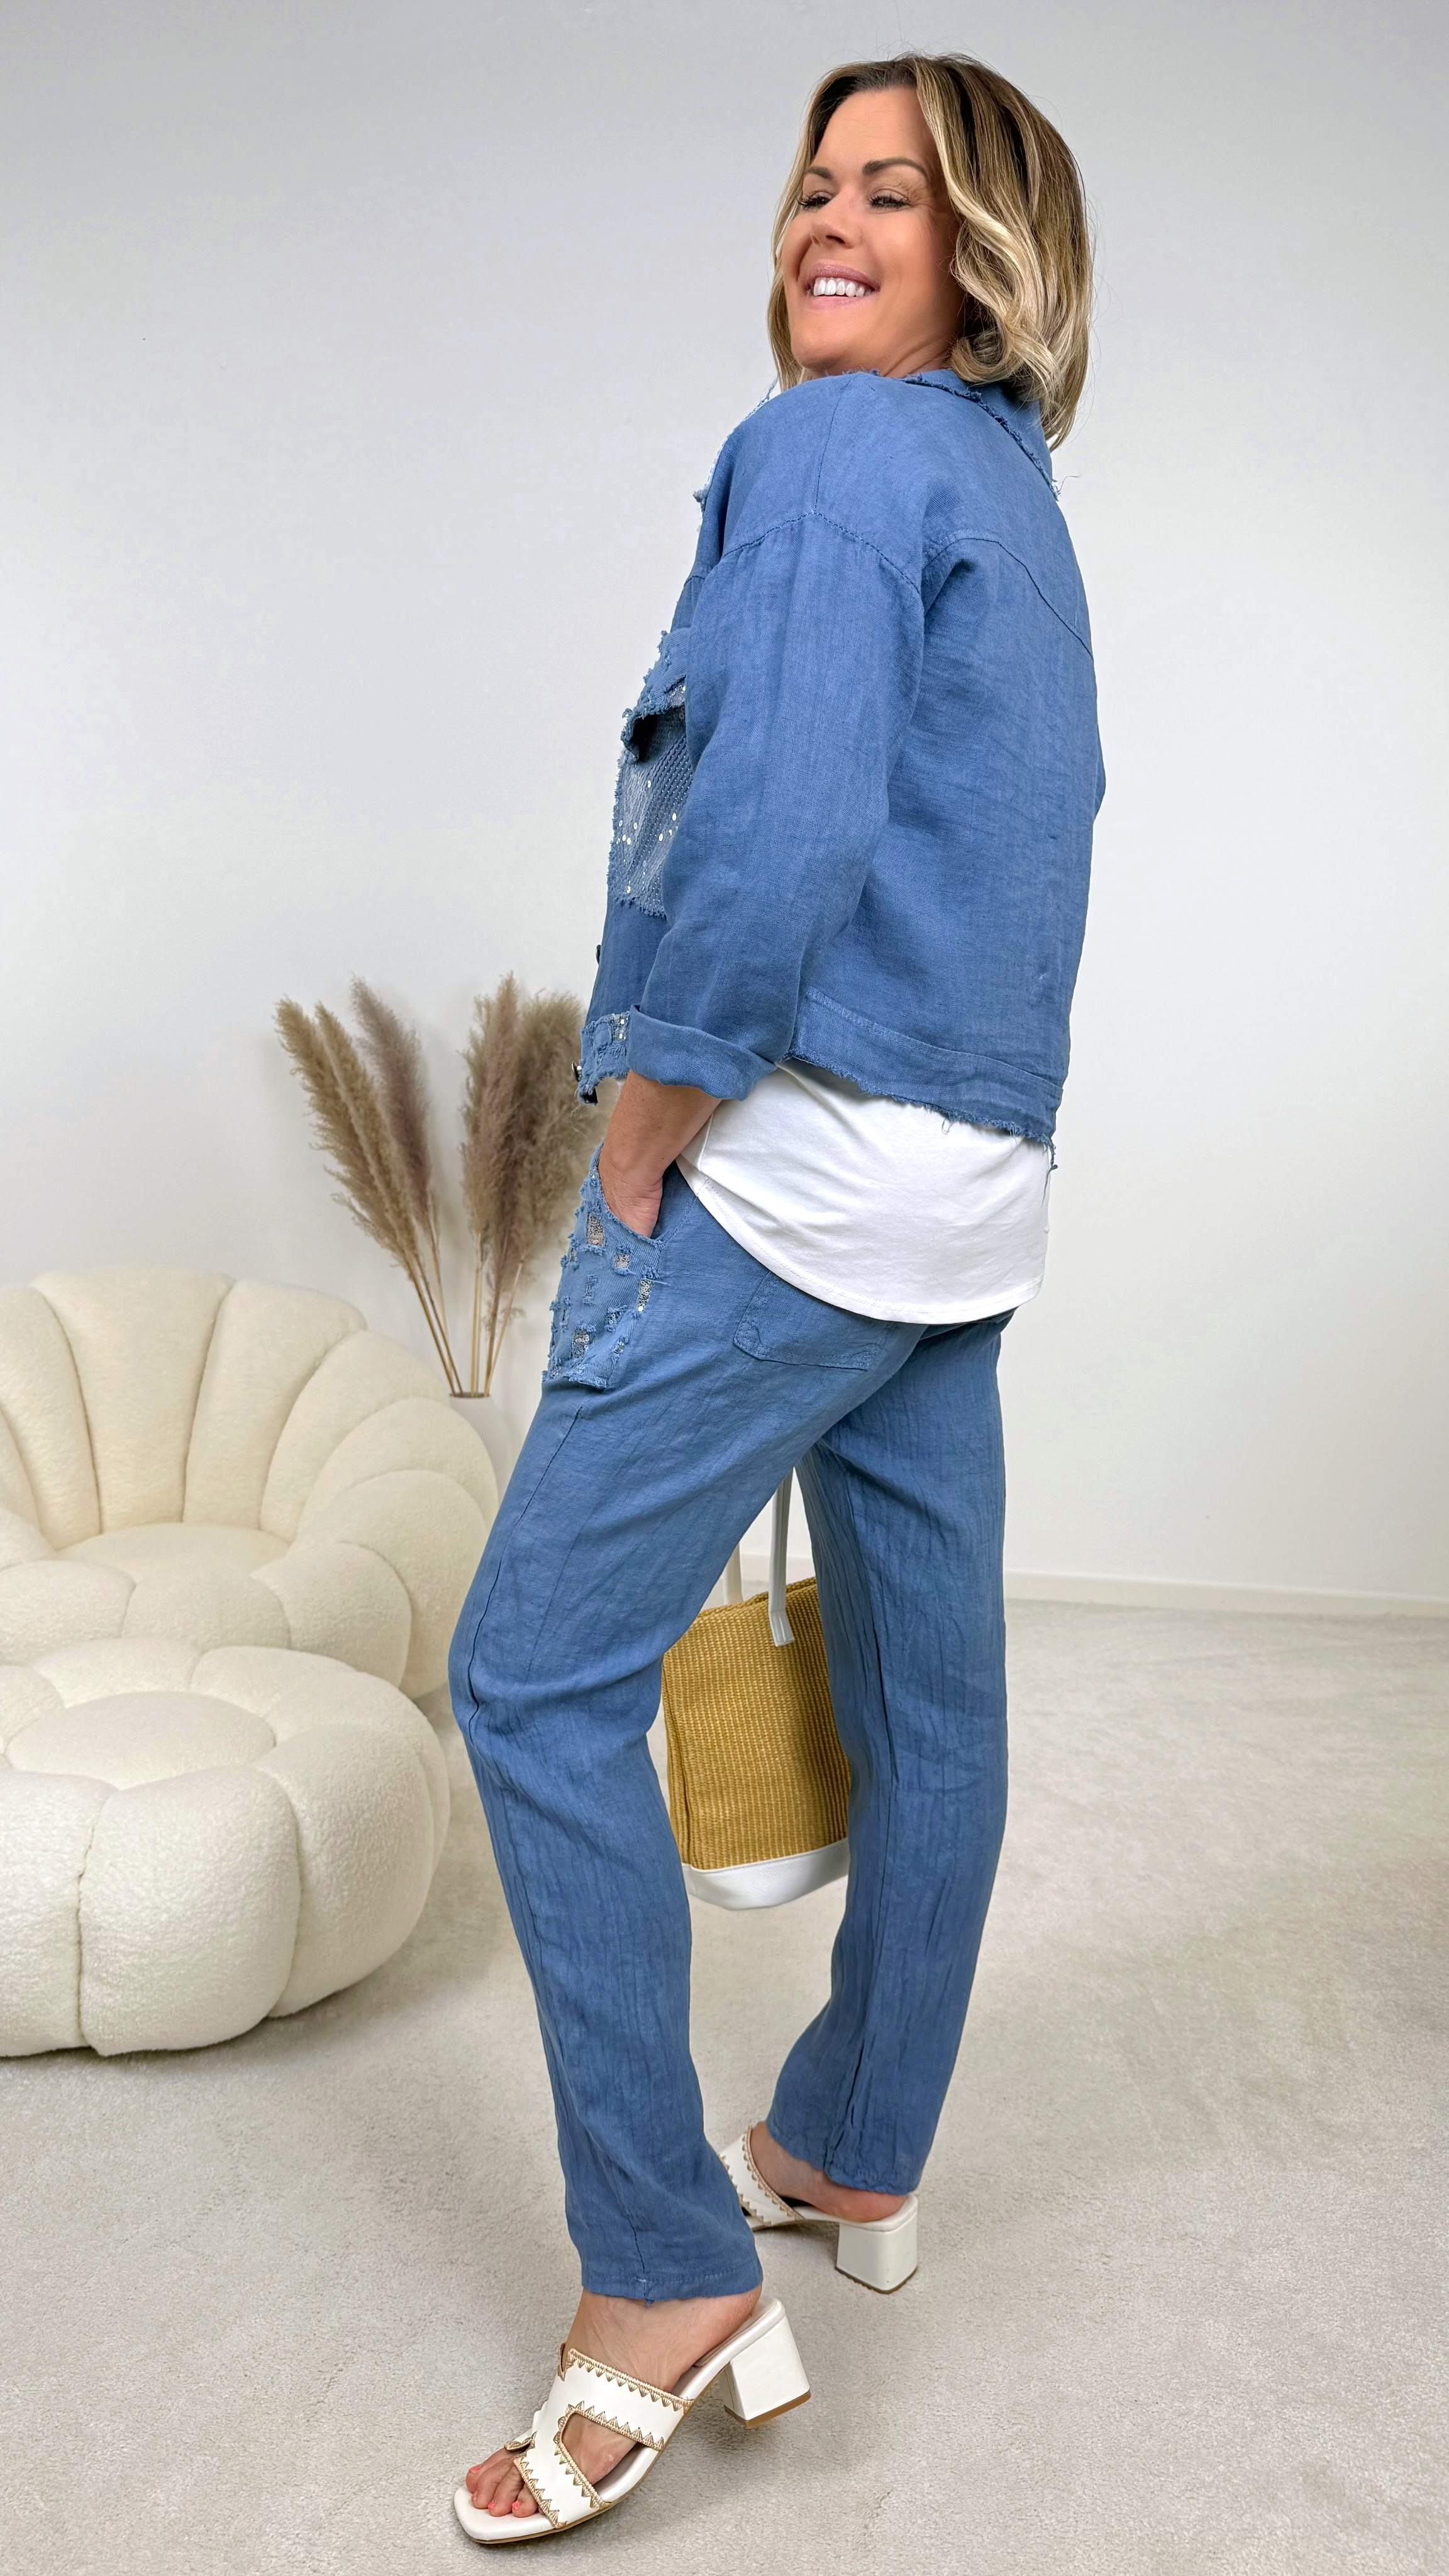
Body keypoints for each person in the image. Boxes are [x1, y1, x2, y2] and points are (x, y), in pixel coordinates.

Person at [449, 50, 1103, 2543]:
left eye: (893, 192)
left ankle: (661, 2279)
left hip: (797, 1176)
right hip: (965, 1198)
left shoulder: (829, 454)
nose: (830, 221)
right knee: (930, 1693)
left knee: (530, 1678)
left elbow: (787, 805)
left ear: (988, 249)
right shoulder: (1012, 491)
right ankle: (853, 2140)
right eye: (816, 183)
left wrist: (656, 1103)